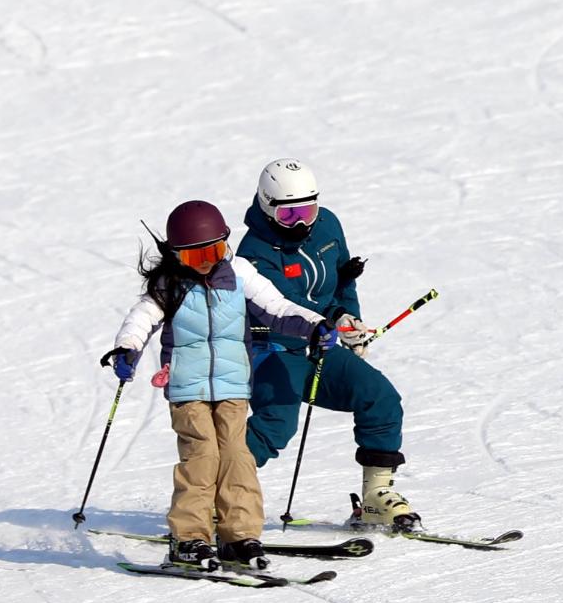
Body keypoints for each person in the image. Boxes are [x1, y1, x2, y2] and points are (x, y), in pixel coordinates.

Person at [109, 200, 337, 571]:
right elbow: (141, 320)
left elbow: (277, 308)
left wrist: (315, 324)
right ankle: (189, 538)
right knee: (202, 459)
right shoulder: (170, 286)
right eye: (194, 256)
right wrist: (126, 349)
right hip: (188, 390)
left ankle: (239, 536)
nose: (205, 262)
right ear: (176, 255)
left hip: (232, 388)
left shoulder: (240, 273)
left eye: (213, 252)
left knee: (237, 457)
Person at [236, 159, 420, 531]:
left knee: (379, 396)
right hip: (274, 348)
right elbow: (284, 307)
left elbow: (342, 279)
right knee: (276, 426)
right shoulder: (253, 253)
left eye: (308, 210)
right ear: (267, 206)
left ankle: (375, 497)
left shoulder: (328, 226)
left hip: (324, 345)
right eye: (290, 215)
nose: (302, 223)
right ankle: (219, 492)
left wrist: (349, 318)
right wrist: (332, 323)